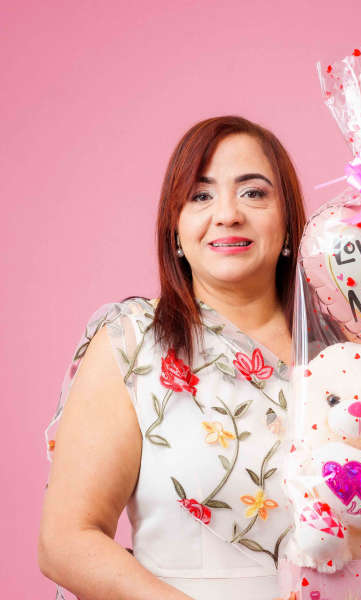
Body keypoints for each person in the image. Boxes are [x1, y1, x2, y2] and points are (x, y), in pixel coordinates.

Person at [38, 116, 306, 600]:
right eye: (200, 196)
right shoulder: (132, 342)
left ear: (288, 222)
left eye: (253, 193)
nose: (227, 214)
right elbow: (65, 542)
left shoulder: (345, 348)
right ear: (175, 228)